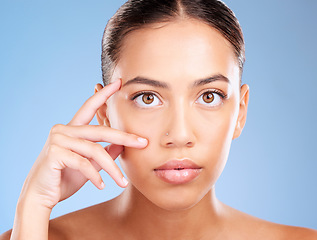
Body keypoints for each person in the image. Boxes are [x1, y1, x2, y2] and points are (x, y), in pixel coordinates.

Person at [1, 0, 316, 239]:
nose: (179, 135)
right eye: (147, 98)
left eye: (209, 96)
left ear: (240, 112)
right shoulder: (31, 233)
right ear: (104, 113)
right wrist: (33, 205)